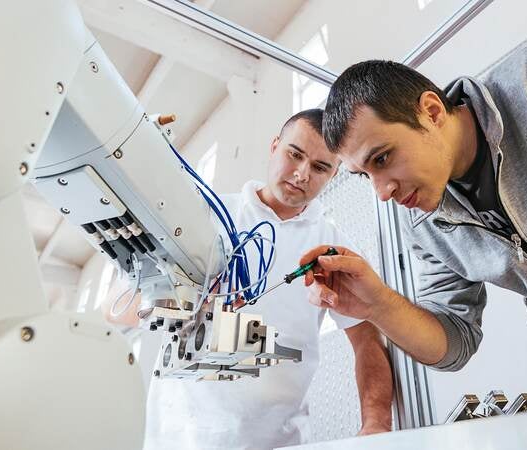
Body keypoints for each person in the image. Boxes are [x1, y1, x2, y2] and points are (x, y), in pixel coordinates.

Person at [144, 109, 392, 450]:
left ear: (334, 175)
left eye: (320, 167)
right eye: (295, 154)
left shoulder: (334, 249)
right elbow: (129, 305)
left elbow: (367, 341)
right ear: (274, 146)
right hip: (181, 435)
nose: (303, 174)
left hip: (276, 439)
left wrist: (376, 425)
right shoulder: (208, 215)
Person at [301, 37, 527, 372]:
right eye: (365, 175)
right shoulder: (422, 223)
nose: (382, 192)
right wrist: (378, 305)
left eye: (382, 158)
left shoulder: (526, 83)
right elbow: (456, 337)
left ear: (432, 112)